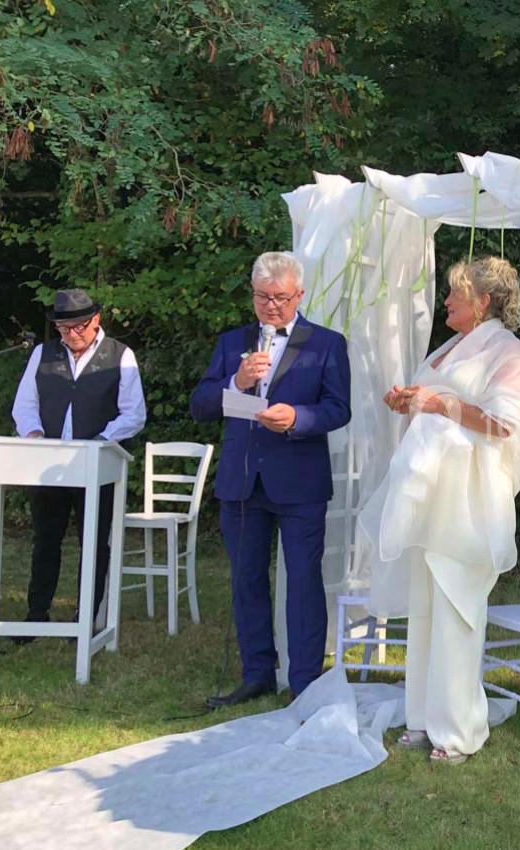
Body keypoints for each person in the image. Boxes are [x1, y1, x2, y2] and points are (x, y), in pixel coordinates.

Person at [360, 255, 520, 764]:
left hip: (467, 499)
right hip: (430, 497)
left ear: (482, 302)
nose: (446, 301)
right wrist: (410, 401)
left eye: (455, 294)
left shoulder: (507, 351)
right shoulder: (451, 347)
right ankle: (421, 718)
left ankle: (457, 731)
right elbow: (435, 405)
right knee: (426, 608)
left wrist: (439, 406)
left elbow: (506, 426)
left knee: (457, 608)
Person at [191, 251, 351, 707]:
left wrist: (297, 417)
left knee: (302, 581)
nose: (271, 306)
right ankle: (257, 672)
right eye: (263, 297)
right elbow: (200, 405)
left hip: (299, 481)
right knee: (246, 580)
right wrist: (236, 383)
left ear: (299, 295)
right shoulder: (232, 343)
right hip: (243, 482)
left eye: (280, 298)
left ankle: (303, 681)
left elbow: (339, 408)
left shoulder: (325, 344)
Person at [11, 288, 147, 640]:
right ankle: (36, 614)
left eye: (77, 327)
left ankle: (85, 617)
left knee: (95, 541)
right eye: (63, 328)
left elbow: (134, 413)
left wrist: (100, 441)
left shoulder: (120, 355)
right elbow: (25, 403)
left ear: (95, 320)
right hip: (49, 463)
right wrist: (34, 435)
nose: (71, 334)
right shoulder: (43, 354)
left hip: (96, 462)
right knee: (45, 539)